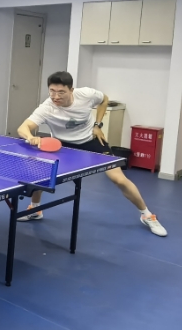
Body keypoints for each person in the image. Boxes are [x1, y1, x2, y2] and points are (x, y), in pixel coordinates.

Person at [17, 71, 167, 237]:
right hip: (63, 145)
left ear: (71, 90)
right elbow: (23, 128)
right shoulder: (46, 108)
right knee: (40, 174)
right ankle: (35, 209)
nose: (56, 96)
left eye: (61, 92)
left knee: (119, 179)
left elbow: (104, 99)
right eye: (52, 91)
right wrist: (30, 137)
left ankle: (147, 215)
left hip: (91, 140)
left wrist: (97, 125)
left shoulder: (86, 95)